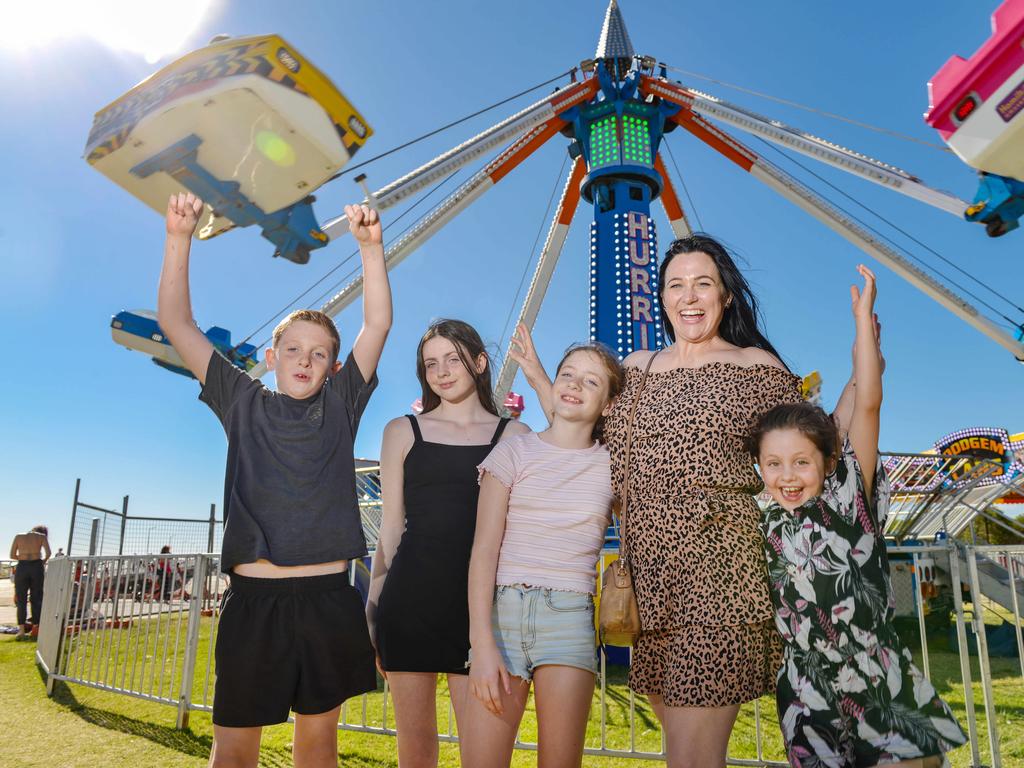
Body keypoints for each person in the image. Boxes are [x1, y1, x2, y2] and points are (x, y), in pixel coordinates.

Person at [513, 234, 848, 768]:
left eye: (703, 284)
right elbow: (587, 427)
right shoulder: (638, 367)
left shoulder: (754, 365)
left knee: (693, 757)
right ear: (662, 296)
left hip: (720, 578)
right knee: (683, 754)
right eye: (675, 285)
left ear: (726, 296)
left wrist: (862, 377)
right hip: (650, 586)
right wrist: (535, 374)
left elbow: (806, 447)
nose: (689, 297)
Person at [157, 191, 392, 768]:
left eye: (318, 352)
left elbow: (378, 321)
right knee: (234, 750)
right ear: (271, 354)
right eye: (293, 349)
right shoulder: (241, 400)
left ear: (335, 367)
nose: (304, 359)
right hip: (254, 602)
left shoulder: (341, 404)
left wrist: (371, 249)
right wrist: (179, 238)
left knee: (317, 748)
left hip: (328, 600)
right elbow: (175, 323)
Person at [748, 265, 967, 767]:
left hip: (877, 673)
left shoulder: (848, 497)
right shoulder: (762, 514)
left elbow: (865, 404)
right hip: (806, 687)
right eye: (773, 464)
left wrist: (862, 329)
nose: (787, 476)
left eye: (801, 462)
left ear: (827, 462)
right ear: (758, 466)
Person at [365, 319, 530, 768]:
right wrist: (374, 607)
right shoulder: (401, 431)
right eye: (430, 363)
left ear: (479, 362)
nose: (441, 371)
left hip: (482, 616)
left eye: (453, 359)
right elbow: (392, 530)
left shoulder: (514, 436)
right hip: (409, 606)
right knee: (415, 755)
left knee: (484, 758)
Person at [460, 343, 624, 768]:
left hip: (568, 619)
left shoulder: (614, 467)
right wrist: (481, 643)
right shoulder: (513, 452)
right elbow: (483, 551)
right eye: (567, 374)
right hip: (502, 617)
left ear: (608, 404)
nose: (574, 385)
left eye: (591, 381)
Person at [10, 525, 50, 640]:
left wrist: (23, 558)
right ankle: (35, 628)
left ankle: (21, 630)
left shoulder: (19, 536)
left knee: (21, 599)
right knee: (36, 598)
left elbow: (12, 555)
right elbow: (48, 553)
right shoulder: (41, 537)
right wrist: (42, 562)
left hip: (22, 567)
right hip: (36, 566)